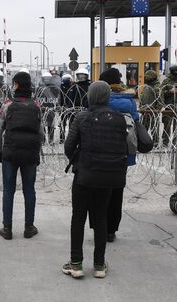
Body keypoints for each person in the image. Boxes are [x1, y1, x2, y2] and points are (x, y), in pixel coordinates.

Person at [63, 81, 128, 279]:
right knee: (100, 218)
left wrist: (78, 159)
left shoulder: (82, 117)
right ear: (107, 96)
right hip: (107, 177)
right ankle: (99, 265)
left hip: (84, 175)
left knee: (78, 218)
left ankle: (76, 264)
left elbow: (68, 146)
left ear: (90, 96)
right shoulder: (118, 119)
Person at [0, 71, 44, 240]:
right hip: (30, 152)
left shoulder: (7, 105)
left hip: (11, 151)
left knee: (8, 190)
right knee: (29, 189)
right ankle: (29, 227)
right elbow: (41, 132)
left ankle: (7, 228)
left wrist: (0, 151)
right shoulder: (36, 105)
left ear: (16, 85)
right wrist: (37, 151)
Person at [99, 67, 139, 242]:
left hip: (101, 152)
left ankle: (100, 226)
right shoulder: (129, 101)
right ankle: (111, 230)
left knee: (99, 191)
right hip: (122, 154)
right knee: (117, 192)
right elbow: (136, 122)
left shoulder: (100, 100)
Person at [35, 70, 60, 144]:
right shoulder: (39, 88)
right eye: (45, 78)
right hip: (42, 109)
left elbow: (57, 98)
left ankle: (50, 140)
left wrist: (57, 106)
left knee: (51, 125)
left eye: (48, 78)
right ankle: (43, 140)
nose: (46, 80)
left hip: (51, 108)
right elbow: (36, 98)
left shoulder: (54, 89)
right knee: (42, 126)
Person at [139, 70, 161, 144]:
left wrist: (157, 110)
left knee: (154, 128)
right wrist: (141, 106)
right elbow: (142, 96)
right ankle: (143, 142)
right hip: (145, 110)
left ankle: (155, 143)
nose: (146, 79)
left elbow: (160, 99)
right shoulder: (147, 86)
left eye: (147, 77)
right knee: (143, 128)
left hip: (153, 111)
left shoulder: (157, 87)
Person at [59, 73, 74, 143]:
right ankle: (63, 138)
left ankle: (64, 138)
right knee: (64, 123)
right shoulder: (69, 87)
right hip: (66, 107)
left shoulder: (62, 87)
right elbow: (60, 98)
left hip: (67, 107)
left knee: (65, 123)